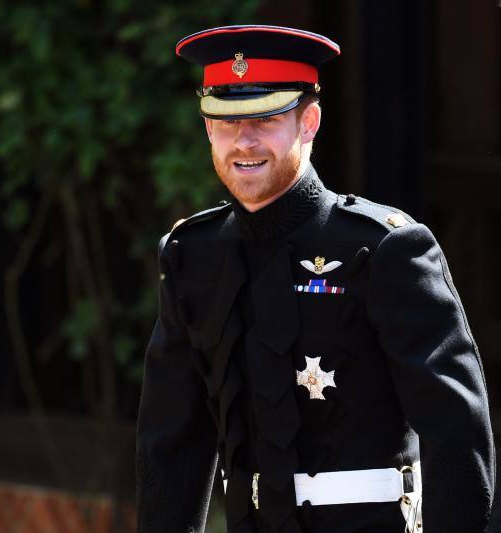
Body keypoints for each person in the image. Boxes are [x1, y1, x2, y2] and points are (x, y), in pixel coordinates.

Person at [135, 25, 495, 533]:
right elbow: (169, 447)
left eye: (265, 119)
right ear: (207, 128)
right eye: (225, 121)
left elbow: (457, 434)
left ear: (309, 122)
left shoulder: (385, 248)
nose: (244, 141)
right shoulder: (191, 255)